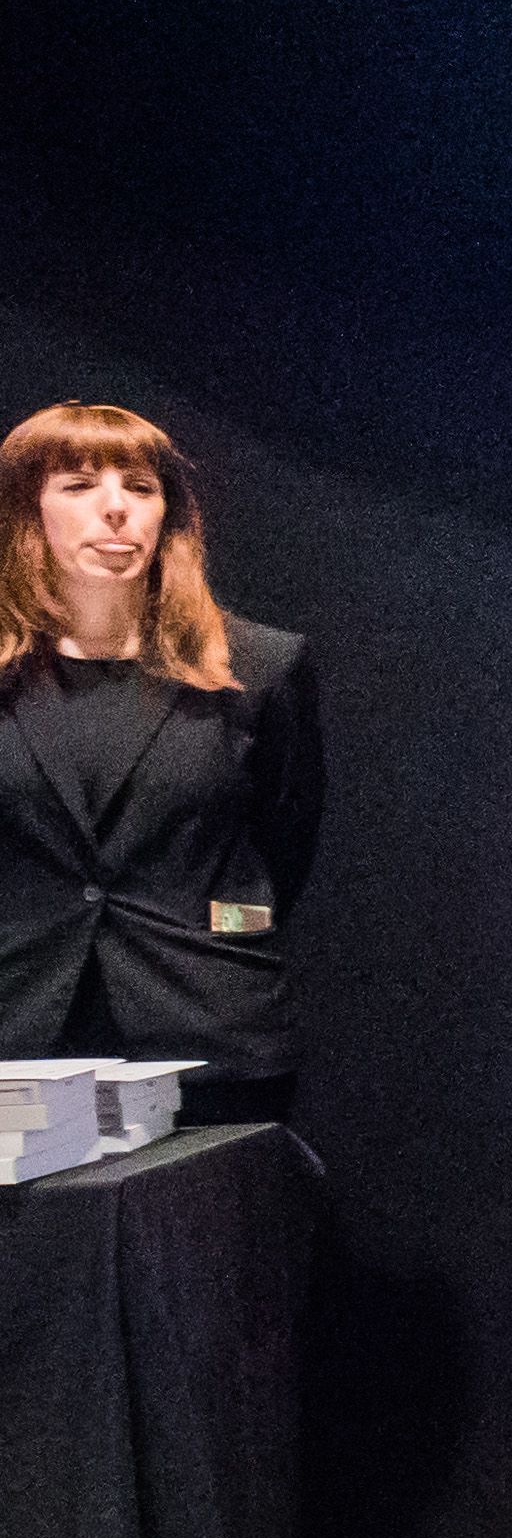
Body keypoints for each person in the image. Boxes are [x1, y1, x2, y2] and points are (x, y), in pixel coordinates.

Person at [0, 403, 320, 1133]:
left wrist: (217, 931)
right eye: (79, 485)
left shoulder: (260, 667)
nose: (115, 509)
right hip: (20, 1038)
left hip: (209, 1035)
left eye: (140, 487)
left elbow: (280, 848)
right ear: (26, 510)